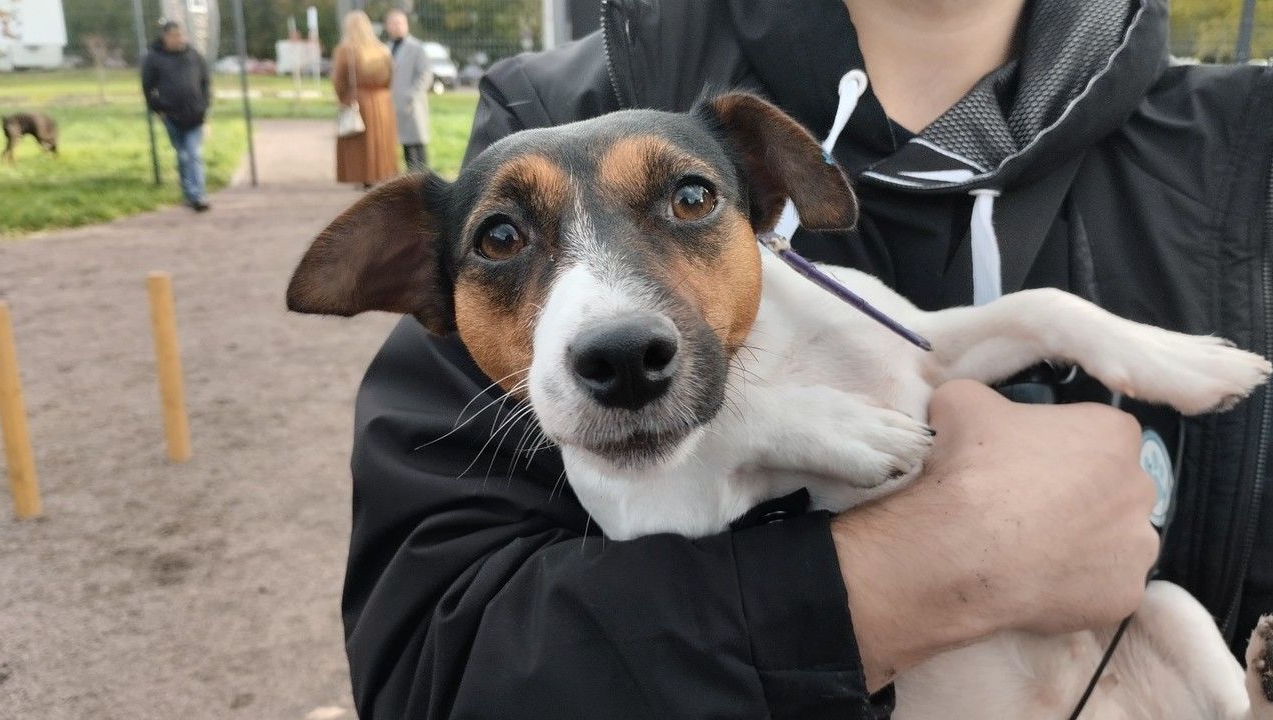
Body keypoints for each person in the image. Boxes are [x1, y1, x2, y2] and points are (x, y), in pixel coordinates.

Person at [343, 0, 1273, 717]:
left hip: (1144, 674)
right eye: (505, 239)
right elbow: (435, 669)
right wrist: (909, 573)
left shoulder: (1246, 143)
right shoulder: (549, 117)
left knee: (1181, 622)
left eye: (689, 201)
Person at [141, 21, 211, 212]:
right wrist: (158, 110)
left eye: (181, 34)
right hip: (171, 116)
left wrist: (205, 107)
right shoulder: (154, 58)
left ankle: (198, 196)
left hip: (195, 115)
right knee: (183, 155)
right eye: (175, 35)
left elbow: (205, 82)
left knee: (193, 154)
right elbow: (148, 87)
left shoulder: (193, 56)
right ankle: (189, 193)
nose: (179, 38)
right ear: (165, 37)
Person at [332, 11, 398, 188]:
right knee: (381, 141)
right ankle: (382, 173)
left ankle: (364, 177)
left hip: (359, 100)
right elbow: (390, 77)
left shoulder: (346, 50)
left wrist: (343, 99)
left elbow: (338, 81)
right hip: (382, 100)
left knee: (360, 144)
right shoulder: (383, 50)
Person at [383, 9, 432, 171]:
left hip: (412, 106)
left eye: (399, 23)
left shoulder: (416, 48)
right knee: (405, 146)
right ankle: (411, 183)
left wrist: (412, 95)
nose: (396, 27)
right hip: (394, 104)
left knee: (416, 145)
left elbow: (425, 75)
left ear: (406, 25)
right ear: (387, 26)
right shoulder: (386, 48)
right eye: (392, 23)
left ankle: (423, 181)